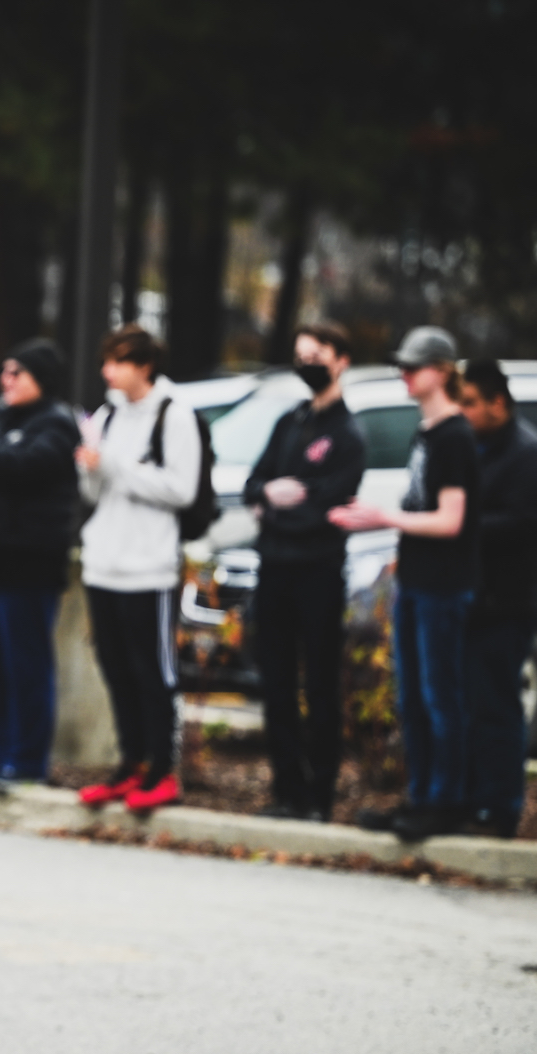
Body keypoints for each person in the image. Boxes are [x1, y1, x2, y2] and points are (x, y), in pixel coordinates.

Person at [333, 326, 477, 841]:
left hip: (444, 586)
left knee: (440, 697)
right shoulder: (427, 433)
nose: (405, 374)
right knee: (412, 697)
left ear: (441, 371)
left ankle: (447, 801)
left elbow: (451, 520)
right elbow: (421, 508)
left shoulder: (456, 436)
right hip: (415, 582)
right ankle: (421, 798)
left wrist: (383, 518)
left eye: (413, 367)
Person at [240, 320, 367, 821]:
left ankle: (319, 796)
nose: (307, 366)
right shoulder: (289, 422)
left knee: (319, 686)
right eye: (301, 358)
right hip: (274, 571)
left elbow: (326, 509)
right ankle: (286, 789)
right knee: (275, 684)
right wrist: (271, 495)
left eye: (316, 357)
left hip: (318, 573)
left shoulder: (348, 435)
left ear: (341, 361)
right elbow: (254, 483)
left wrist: (276, 508)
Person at [74, 326, 203, 810]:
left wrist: (113, 465)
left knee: (153, 671)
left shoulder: (174, 414)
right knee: (116, 669)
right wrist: (90, 467)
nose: (108, 371)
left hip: (149, 566)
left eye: (120, 362)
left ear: (145, 366)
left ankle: (162, 769)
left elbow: (181, 490)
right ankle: (130, 763)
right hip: (103, 563)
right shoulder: (108, 414)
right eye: (106, 361)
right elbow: (94, 492)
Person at [0, 339, 80, 789]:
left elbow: (22, 465)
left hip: (27, 566)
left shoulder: (57, 423)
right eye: (4, 371)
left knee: (24, 663)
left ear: (41, 379)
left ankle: (26, 759)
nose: (5, 380)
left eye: (17, 373)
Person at [459, 358, 537, 838]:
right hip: (473, 596)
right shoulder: (474, 445)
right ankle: (471, 797)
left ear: (498, 403)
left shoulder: (528, 453)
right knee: (470, 704)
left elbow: (531, 523)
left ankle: (499, 807)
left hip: (509, 600)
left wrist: (461, 525)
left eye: (470, 402)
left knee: (497, 705)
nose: (463, 411)